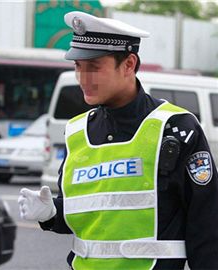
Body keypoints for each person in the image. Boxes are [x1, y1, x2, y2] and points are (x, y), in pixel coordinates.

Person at [18, 11, 218, 270]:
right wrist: (52, 213)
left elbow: (206, 224)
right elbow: (89, 214)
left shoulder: (176, 128)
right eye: (78, 67)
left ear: (129, 64)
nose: (83, 79)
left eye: (94, 68)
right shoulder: (77, 131)